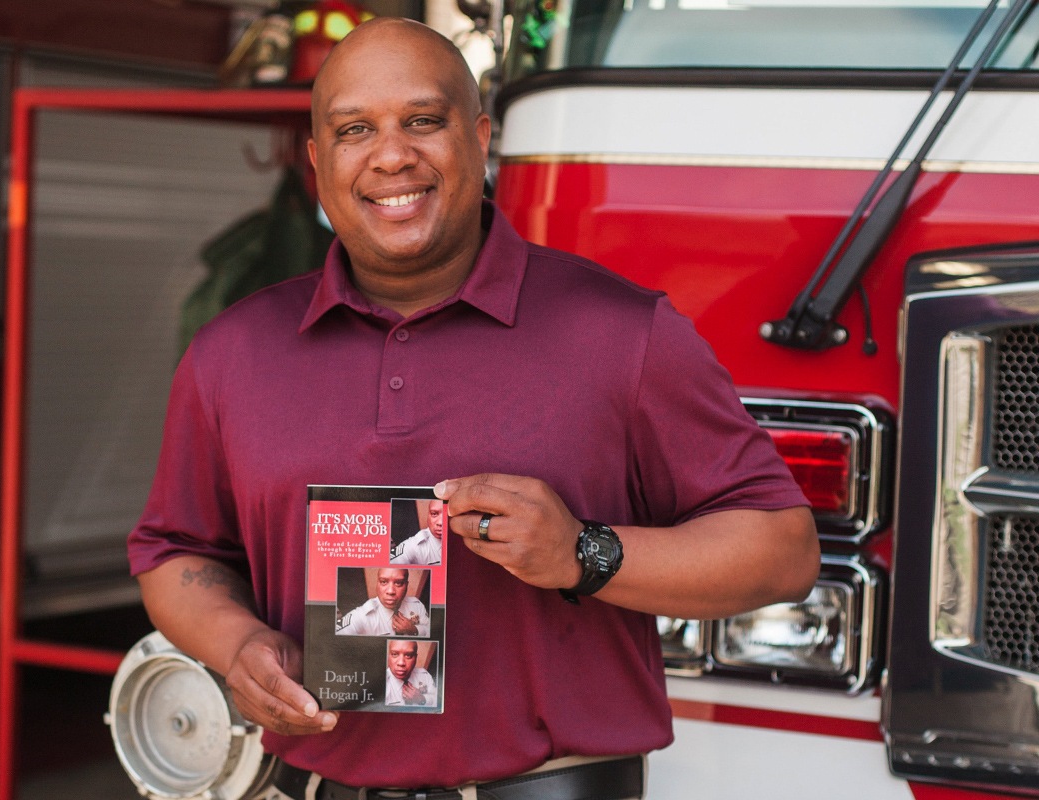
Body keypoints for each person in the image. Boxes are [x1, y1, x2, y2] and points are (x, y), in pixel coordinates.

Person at [128, 15, 818, 800]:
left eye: (424, 121)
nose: (393, 155)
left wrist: (583, 554)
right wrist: (237, 642)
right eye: (357, 129)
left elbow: (784, 549)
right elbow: (173, 551)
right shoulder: (234, 353)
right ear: (319, 161)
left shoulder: (624, 333)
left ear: (482, 138)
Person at [337, 568, 431, 637]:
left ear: (406, 585)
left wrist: (414, 630)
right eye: (384, 582)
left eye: (398, 583)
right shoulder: (363, 615)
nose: (390, 591)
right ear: (377, 584)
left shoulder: (416, 604)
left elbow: (431, 631)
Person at [385, 640, 438, 707]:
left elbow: (438, 700)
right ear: (388, 656)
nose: (401, 663)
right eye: (394, 654)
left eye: (408, 655)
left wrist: (423, 699)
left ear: (416, 657)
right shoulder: (381, 684)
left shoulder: (424, 675)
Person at [391, 499, 444, 565]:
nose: (440, 522)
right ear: (428, 516)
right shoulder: (416, 545)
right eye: (434, 514)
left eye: (446, 515)